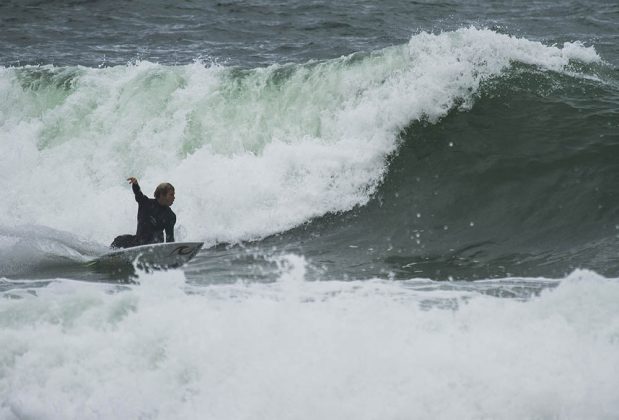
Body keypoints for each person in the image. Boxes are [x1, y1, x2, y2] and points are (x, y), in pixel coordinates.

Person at [110, 177, 176, 249]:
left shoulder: (170, 216)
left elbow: (170, 239)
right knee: (119, 240)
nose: (174, 197)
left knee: (157, 236)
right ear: (162, 195)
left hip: (155, 247)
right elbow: (138, 194)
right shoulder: (146, 203)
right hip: (138, 243)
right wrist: (135, 185)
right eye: (171, 195)